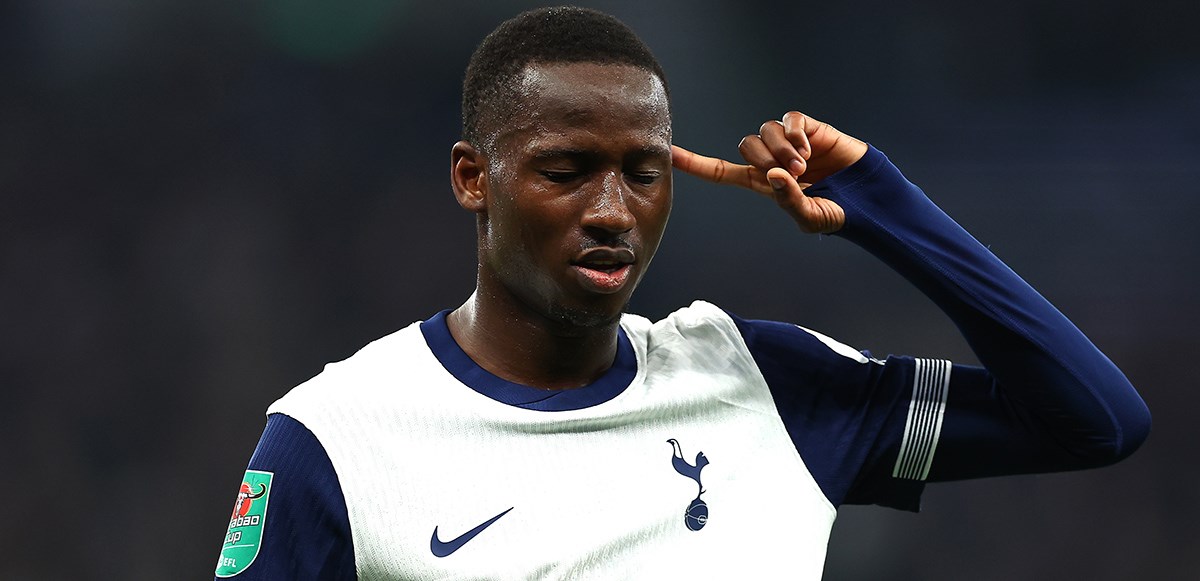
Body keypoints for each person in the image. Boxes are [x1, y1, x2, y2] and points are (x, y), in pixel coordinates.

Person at [213, 6, 1150, 580]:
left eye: (644, 172)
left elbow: (1096, 420)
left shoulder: (768, 387)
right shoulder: (337, 436)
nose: (611, 211)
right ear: (473, 177)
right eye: (567, 171)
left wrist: (880, 202)